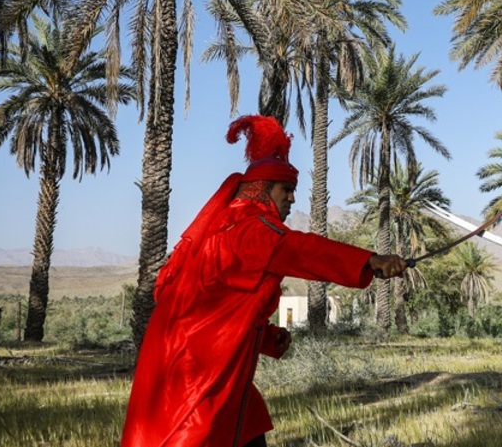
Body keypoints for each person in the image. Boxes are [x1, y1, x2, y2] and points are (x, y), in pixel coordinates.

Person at [122, 115, 407, 447]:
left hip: (200, 358)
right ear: (262, 189)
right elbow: (302, 251)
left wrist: (266, 338)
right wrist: (371, 261)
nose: (292, 199)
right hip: (195, 370)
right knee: (195, 434)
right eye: (286, 189)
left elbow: (219, 307)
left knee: (244, 425)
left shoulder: (229, 226)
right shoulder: (251, 229)